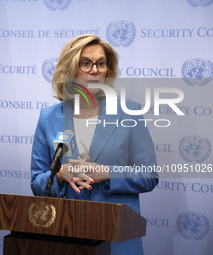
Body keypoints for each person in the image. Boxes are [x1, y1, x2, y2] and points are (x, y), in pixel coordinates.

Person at [30, 34, 159, 255]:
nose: (95, 70)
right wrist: (60, 174)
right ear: (71, 69)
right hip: (66, 232)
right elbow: (36, 182)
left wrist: (107, 173)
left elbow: (149, 175)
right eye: (86, 63)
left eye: (101, 63)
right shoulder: (48, 117)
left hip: (117, 234)